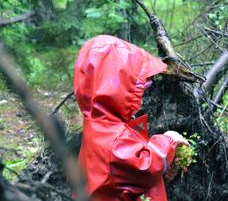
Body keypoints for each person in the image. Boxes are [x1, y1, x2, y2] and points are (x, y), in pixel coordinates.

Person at [74, 35, 188, 201]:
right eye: (139, 86)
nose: (144, 91)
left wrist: (163, 170)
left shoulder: (101, 126)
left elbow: (127, 178)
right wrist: (169, 140)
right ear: (115, 89)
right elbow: (145, 166)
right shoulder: (114, 139)